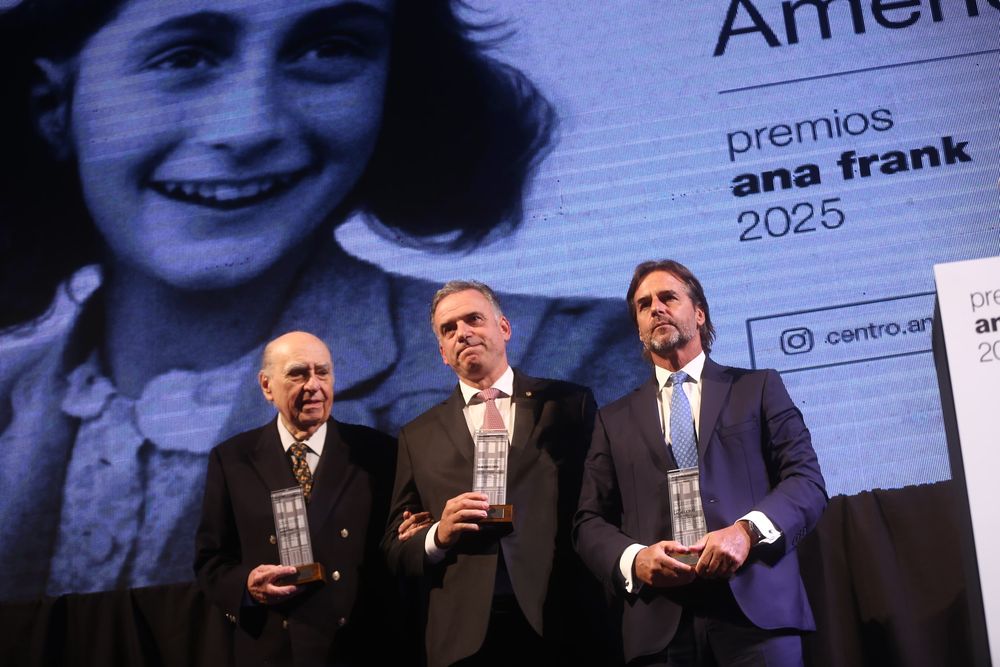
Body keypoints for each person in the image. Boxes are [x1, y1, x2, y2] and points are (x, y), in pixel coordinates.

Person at [0, 0, 647, 600]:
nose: (250, 127)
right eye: (185, 56)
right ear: (52, 104)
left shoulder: (569, 365)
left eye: (328, 48)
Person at [574, 260, 828, 666]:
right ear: (638, 329)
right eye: (643, 305)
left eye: (668, 297)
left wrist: (746, 533)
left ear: (699, 313)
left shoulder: (756, 389)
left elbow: (806, 482)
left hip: (754, 612)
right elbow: (588, 521)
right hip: (660, 629)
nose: (656, 307)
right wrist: (636, 560)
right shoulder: (612, 420)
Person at [382, 281, 614, 667]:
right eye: (449, 329)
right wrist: (438, 534)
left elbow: (604, 503)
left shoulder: (569, 404)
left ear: (503, 328)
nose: (463, 333)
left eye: (473, 319)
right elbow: (394, 548)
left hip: (562, 619)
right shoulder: (416, 436)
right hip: (464, 637)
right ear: (442, 352)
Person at [194, 330, 410, 666]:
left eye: (322, 372)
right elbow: (211, 560)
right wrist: (247, 586)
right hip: (274, 648)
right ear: (267, 386)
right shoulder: (232, 459)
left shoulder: (377, 452)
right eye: (298, 373)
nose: (314, 385)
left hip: (362, 645)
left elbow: (399, 547)